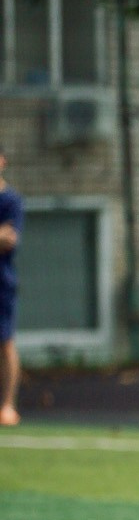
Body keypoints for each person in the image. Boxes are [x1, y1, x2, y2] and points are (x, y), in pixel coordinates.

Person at [0, 145, 20, 428]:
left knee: (5, 343)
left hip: (1, 283)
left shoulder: (12, 201)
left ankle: (7, 406)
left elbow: (10, 240)